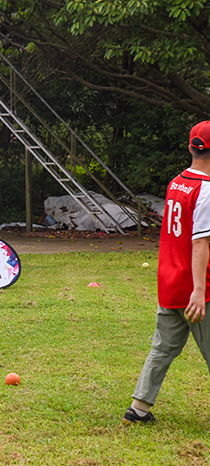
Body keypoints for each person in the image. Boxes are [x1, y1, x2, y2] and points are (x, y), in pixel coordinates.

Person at [123, 120, 210, 424]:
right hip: (198, 288)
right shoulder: (206, 189)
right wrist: (198, 291)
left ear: (190, 147)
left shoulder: (177, 183)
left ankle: (138, 408)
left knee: (162, 348)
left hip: (170, 282)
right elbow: (200, 244)